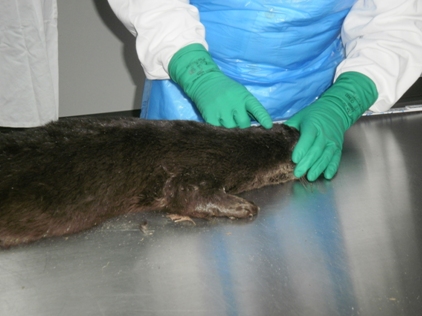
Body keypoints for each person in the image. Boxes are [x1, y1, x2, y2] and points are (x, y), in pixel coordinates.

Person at [107, 0, 422, 181]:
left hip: (317, 95)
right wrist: (197, 73)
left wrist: (341, 105)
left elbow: (395, 23)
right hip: (190, 91)